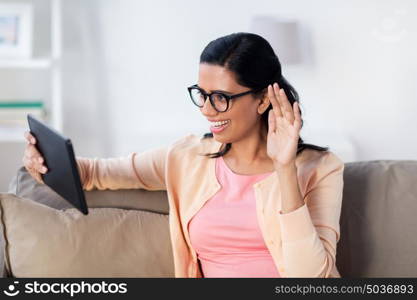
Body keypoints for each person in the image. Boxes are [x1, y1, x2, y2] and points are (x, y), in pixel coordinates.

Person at [22, 32, 344, 278]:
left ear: (262, 100)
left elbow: (313, 278)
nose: (206, 109)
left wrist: (284, 168)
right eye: (201, 95)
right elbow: (93, 174)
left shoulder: (322, 168)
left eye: (220, 97)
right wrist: (42, 163)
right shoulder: (186, 157)